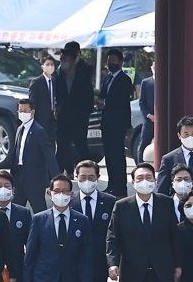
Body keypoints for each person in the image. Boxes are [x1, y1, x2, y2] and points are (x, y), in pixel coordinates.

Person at [0, 98, 60, 211]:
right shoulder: (19, 129)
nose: (22, 113)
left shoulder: (39, 131)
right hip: (19, 178)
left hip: (34, 180)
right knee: (16, 210)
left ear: (32, 112)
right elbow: (16, 153)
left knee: (39, 210)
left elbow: (49, 156)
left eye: (25, 111)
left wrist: (56, 179)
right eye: (20, 111)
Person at [53, 42, 93, 173]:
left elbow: (87, 92)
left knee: (81, 144)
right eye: (62, 56)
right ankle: (64, 171)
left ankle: (86, 172)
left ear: (75, 57)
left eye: (67, 56)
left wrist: (86, 112)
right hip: (63, 114)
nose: (63, 58)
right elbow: (57, 92)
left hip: (79, 114)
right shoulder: (59, 71)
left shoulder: (85, 69)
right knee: (62, 144)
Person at [99, 48, 133, 197]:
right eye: (108, 60)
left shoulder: (125, 80)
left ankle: (120, 187)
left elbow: (121, 100)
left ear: (120, 62)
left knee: (118, 155)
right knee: (109, 156)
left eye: (113, 60)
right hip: (106, 122)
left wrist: (105, 103)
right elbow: (101, 95)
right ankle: (112, 185)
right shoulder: (107, 78)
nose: (110, 63)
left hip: (118, 123)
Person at [156, 116, 193, 195]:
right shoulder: (168, 159)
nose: (190, 137)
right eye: (186, 134)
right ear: (179, 136)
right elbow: (162, 189)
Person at [27, 55, 58, 139]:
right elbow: (32, 102)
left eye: (52, 64)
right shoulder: (37, 82)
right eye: (47, 64)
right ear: (42, 66)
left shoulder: (55, 81)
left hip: (53, 120)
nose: (50, 66)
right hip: (40, 119)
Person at [137, 60, 155, 163]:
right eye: (154, 66)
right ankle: (140, 166)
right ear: (151, 67)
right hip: (149, 120)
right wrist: (148, 115)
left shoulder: (167, 81)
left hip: (163, 120)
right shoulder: (146, 82)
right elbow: (141, 102)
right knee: (143, 143)